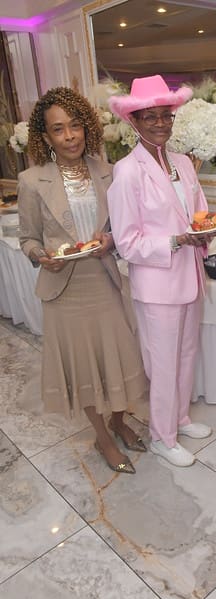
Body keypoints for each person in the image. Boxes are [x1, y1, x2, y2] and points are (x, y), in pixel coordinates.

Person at [18, 87, 149, 475]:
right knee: (85, 368)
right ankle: (102, 436)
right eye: (58, 129)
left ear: (87, 128)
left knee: (119, 357)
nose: (69, 136)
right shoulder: (31, 181)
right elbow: (27, 239)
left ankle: (119, 420)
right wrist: (40, 256)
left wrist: (111, 240)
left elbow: (124, 227)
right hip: (65, 292)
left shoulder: (110, 172)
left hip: (105, 280)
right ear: (46, 137)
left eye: (75, 126)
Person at [107, 75, 214, 468]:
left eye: (165, 116)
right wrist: (174, 241)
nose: (160, 123)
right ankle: (161, 437)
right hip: (156, 284)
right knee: (164, 363)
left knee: (187, 353)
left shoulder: (183, 163)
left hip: (191, 276)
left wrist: (206, 232)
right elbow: (127, 241)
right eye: (149, 116)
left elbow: (199, 212)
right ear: (133, 120)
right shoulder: (127, 171)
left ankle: (180, 418)